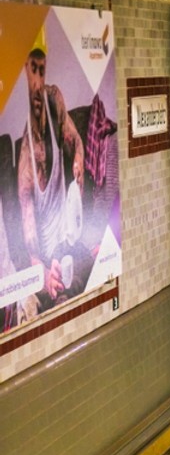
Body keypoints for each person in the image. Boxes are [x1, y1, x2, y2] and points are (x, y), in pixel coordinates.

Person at [18, 44, 86, 305]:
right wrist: (44, 273)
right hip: (49, 261)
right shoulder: (26, 161)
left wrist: (77, 165)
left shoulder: (54, 100)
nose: (38, 82)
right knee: (61, 298)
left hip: (70, 239)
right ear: (25, 70)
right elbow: (32, 248)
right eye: (33, 69)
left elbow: (77, 143)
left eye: (42, 70)